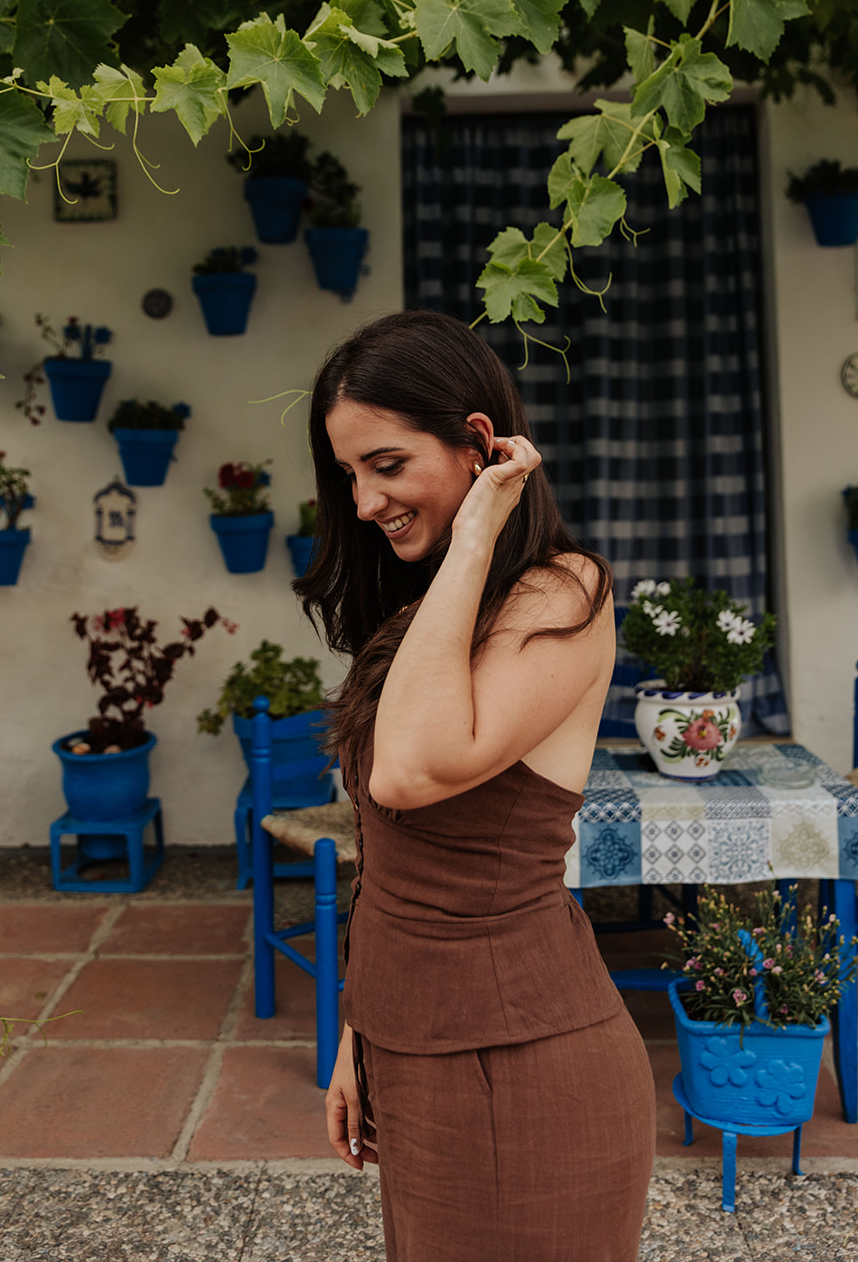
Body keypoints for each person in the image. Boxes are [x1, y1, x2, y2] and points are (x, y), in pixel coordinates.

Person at [296, 310, 655, 1262]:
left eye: (386, 464)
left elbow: (412, 771)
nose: (365, 502)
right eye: (348, 474)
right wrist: (359, 1031)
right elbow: (391, 854)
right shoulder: (433, 609)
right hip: (411, 1046)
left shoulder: (561, 593)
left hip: (520, 1063)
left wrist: (474, 537)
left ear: (478, 445)